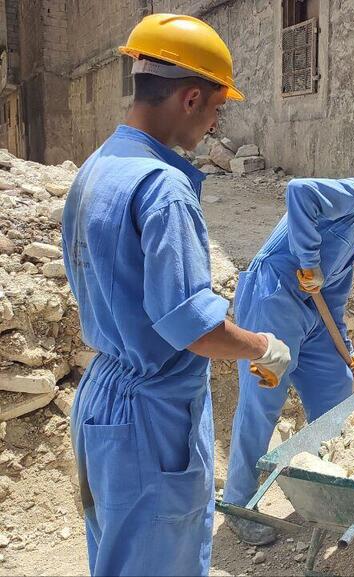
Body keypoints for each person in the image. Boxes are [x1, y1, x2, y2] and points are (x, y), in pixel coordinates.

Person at [61, 14, 291, 576]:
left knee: (118, 559)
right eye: (217, 109)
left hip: (102, 400)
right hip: (151, 415)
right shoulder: (164, 188)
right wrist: (263, 346)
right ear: (191, 98)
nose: (215, 124)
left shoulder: (98, 167)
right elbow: (194, 327)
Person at [222, 161, 354, 545]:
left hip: (312, 314)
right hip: (274, 299)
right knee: (263, 400)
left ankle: (319, 485)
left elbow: (332, 298)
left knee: (337, 387)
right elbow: (299, 191)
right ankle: (239, 503)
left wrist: (345, 351)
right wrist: (308, 260)